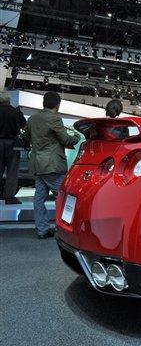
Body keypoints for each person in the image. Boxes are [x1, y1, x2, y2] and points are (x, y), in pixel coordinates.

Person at [24, 92, 80, 239]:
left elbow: (26, 137)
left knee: (39, 199)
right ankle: (63, 229)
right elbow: (66, 140)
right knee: (63, 196)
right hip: (52, 165)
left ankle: (42, 230)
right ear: (58, 105)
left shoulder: (32, 119)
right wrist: (77, 136)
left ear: (44, 103)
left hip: (38, 164)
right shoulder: (55, 118)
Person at [0, 92, 26, 204]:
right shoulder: (16, 112)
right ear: (9, 100)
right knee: (12, 171)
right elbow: (24, 125)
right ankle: (9, 197)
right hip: (13, 144)